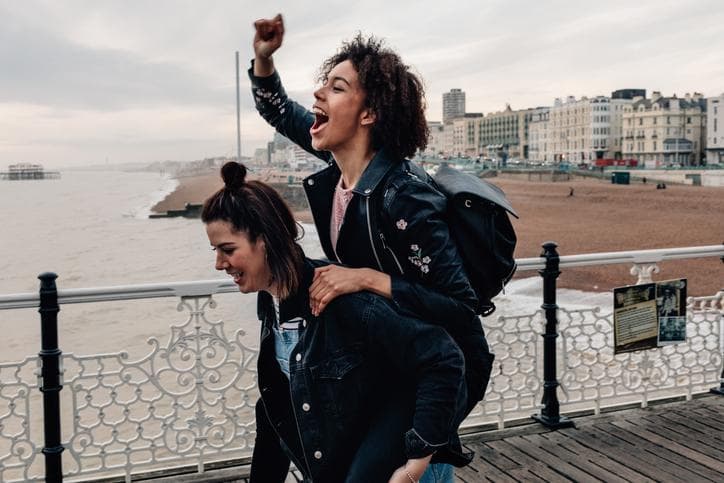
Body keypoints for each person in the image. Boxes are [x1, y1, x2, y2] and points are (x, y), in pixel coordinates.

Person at [249, 18, 494, 480]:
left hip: (441, 365)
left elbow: (463, 310)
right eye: (323, 85)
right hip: (392, 351)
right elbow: (280, 110)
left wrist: (364, 278)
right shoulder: (342, 166)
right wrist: (264, 57)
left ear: (369, 114)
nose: (319, 95)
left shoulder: (404, 198)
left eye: (336, 88)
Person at [202, 162, 469, 482]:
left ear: (265, 241)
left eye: (227, 250)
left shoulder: (342, 298)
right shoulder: (271, 301)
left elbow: (443, 359)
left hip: (404, 468)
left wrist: (415, 465)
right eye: (215, 251)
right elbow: (277, 409)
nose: (219, 264)